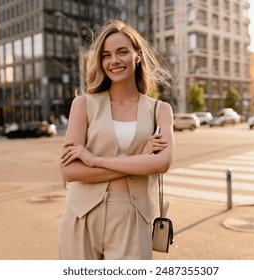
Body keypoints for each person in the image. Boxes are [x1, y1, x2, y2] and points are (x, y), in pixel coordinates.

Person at [58, 19, 174, 260]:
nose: (114, 61)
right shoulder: (83, 105)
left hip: (134, 217)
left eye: (122, 52)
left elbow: (161, 163)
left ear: (138, 55)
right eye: (106, 55)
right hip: (82, 215)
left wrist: (93, 160)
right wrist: (139, 161)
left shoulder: (160, 110)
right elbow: (70, 171)